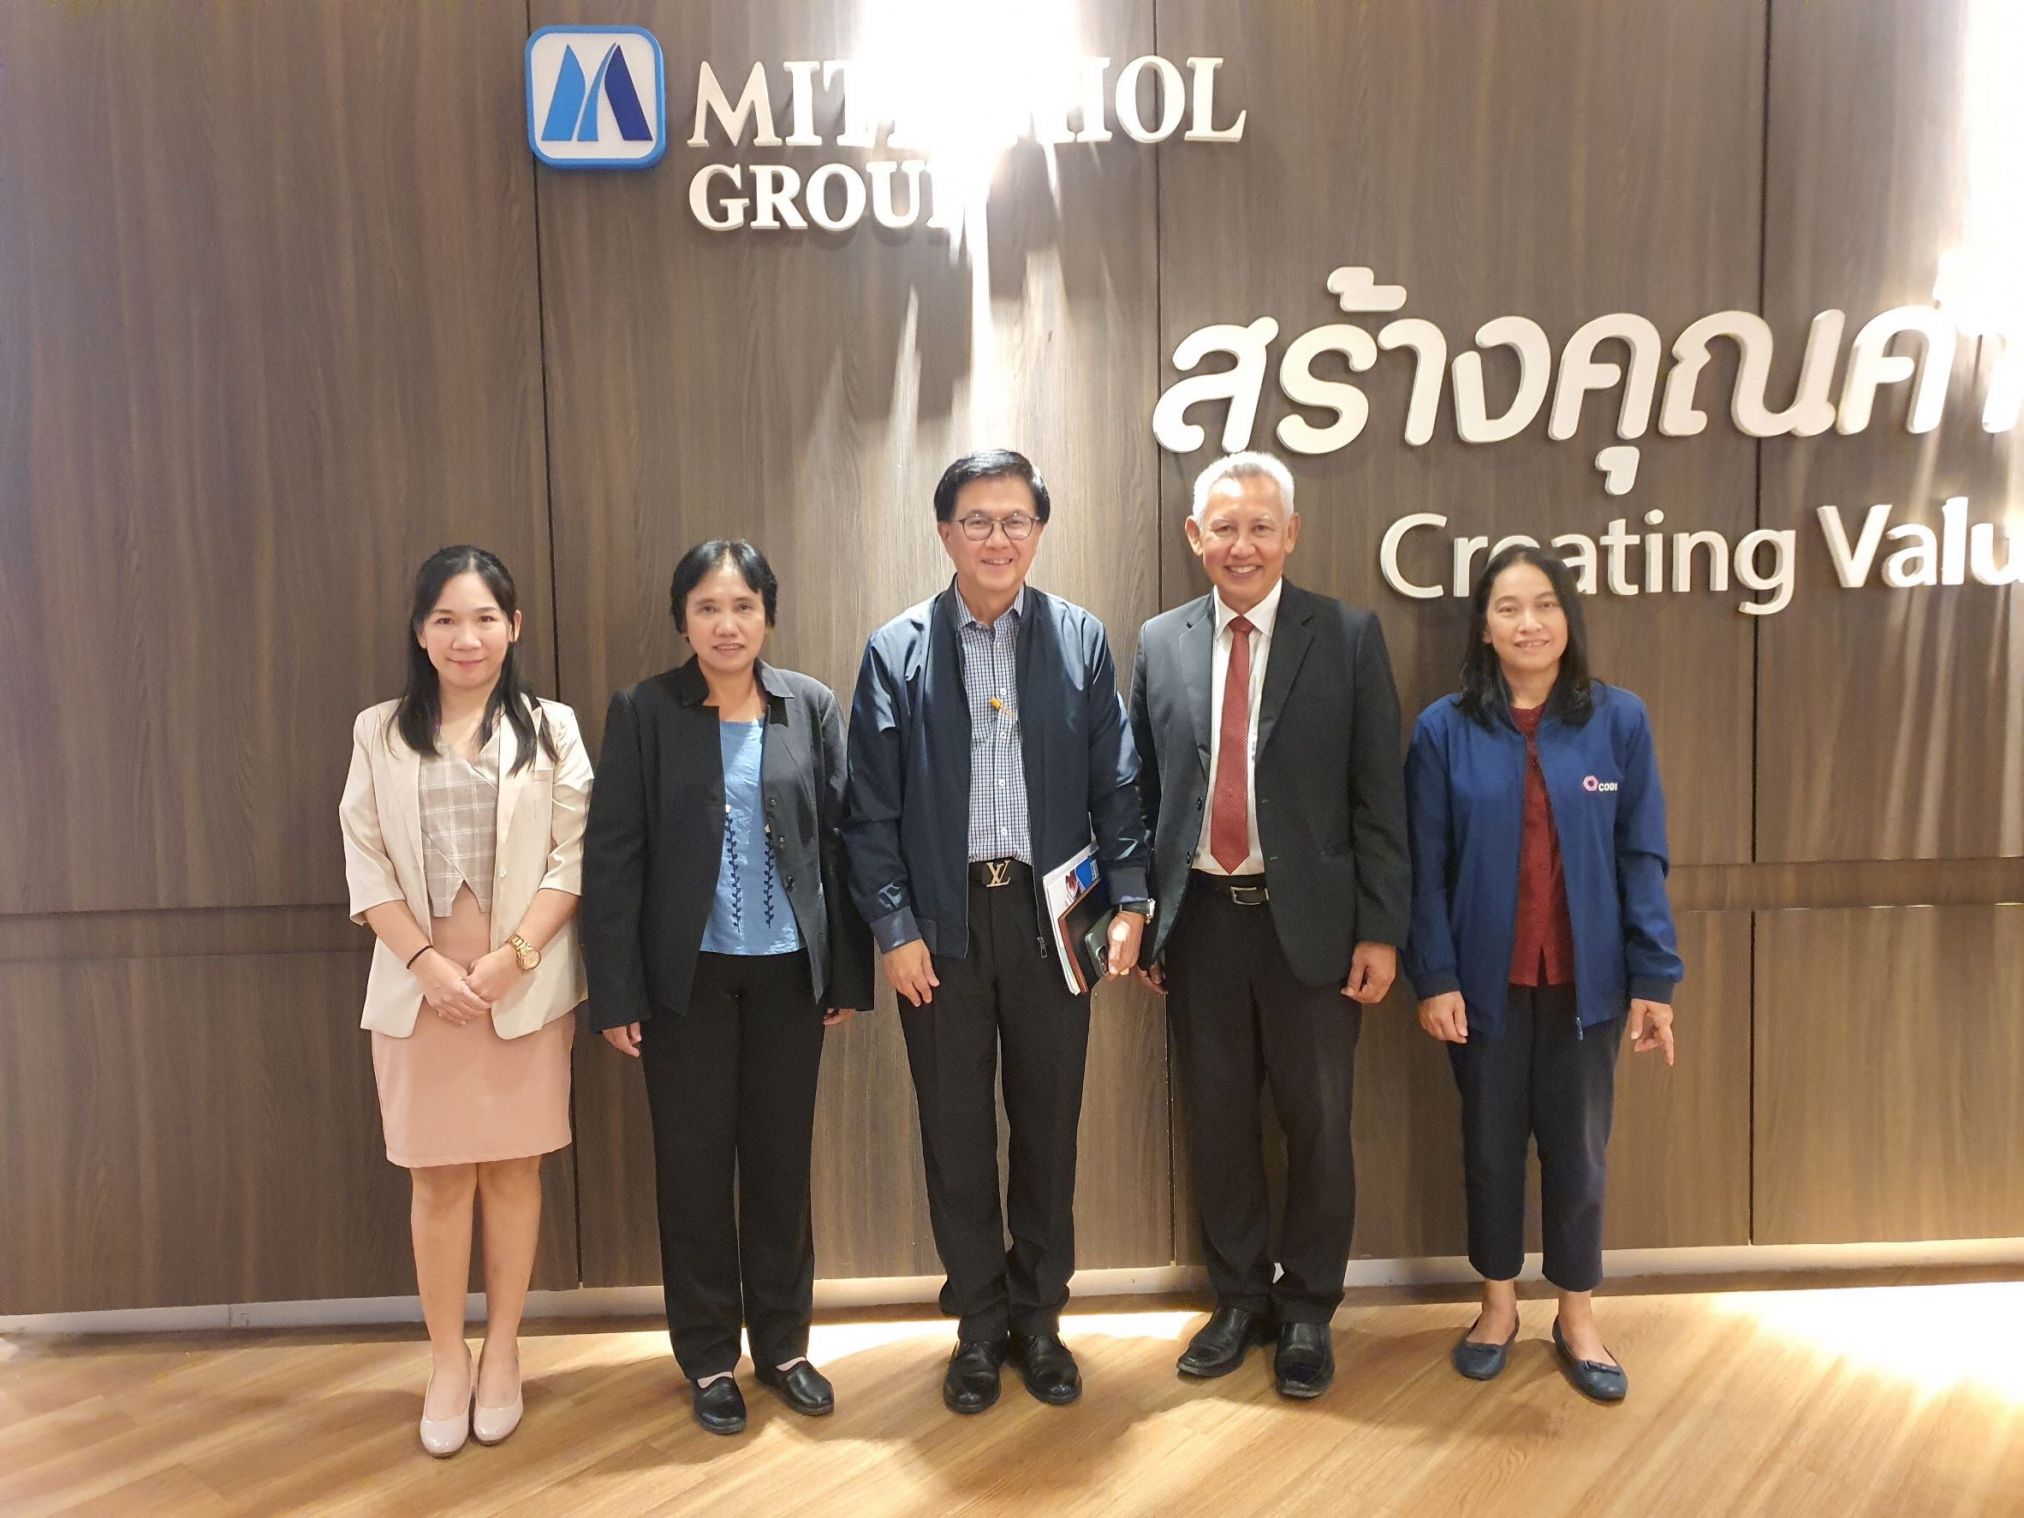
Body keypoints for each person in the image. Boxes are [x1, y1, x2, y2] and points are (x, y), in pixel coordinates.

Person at [843, 449, 1152, 1415]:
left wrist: (1132, 902)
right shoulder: (896, 649)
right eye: (976, 520)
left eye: (1016, 520)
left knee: (1050, 1126)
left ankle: (1040, 1319)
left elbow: (1117, 784)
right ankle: (978, 1324)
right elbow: (868, 811)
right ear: (945, 533)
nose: (997, 538)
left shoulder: (1079, 638)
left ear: (1039, 530)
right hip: (940, 926)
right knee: (956, 1130)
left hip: (1052, 919)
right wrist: (894, 927)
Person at [1128, 452, 1410, 1399]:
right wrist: (1149, 919)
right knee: (1218, 1121)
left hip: (1316, 931)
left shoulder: (1348, 636)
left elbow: (1379, 798)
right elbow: (1144, 794)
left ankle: (1308, 1312)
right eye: (1223, 527)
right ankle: (1240, 1299)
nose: (1240, 545)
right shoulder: (1160, 642)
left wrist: (1381, 930)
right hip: (1202, 923)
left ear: (1290, 534)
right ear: (1194, 536)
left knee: (1318, 1122)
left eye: (1259, 526)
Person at [579, 540, 873, 1436]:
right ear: (683, 619)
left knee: (781, 1166)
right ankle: (709, 1356)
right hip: (688, 982)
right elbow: (614, 858)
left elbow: (841, 841)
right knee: (695, 1170)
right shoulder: (643, 711)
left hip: (789, 977)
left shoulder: (809, 705)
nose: (727, 623)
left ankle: (784, 1346)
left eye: (743, 605)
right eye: (707, 606)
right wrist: (617, 994)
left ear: (767, 615)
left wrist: (844, 970)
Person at [1404, 543, 1682, 1403]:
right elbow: (1423, 868)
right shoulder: (1443, 729)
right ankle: (1496, 1307)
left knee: (1579, 1155)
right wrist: (1434, 977)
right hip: (1481, 988)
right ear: (1484, 629)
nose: (1530, 623)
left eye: (1546, 604)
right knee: (1489, 1151)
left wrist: (1655, 979)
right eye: (1509, 608)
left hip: (1587, 987)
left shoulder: (1619, 720)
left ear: (1569, 618)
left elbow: (1642, 857)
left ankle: (1577, 1316)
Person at [338, 545, 592, 1457]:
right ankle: (447, 1358)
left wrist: (513, 959)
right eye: (446, 619)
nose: (466, 637)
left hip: (522, 987)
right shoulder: (378, 731)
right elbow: (365, 861)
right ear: (420, 632)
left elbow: (575, 855)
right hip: (420, 993)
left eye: (485, 617)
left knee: (515, 1170)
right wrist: (428, 966)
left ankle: (504, 1351)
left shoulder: (553, 728)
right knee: (439, 1178)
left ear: (513, 626)